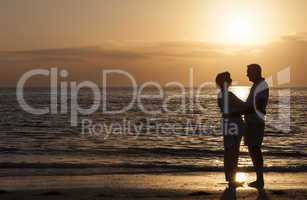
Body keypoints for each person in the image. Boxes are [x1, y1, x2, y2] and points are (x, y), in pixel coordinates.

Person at [216, 72, 246, 189]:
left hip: (228, 124)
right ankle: (232, 180)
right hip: (233, 124)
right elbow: (243, 106)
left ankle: (230, 179)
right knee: (232, 152)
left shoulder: (221, 95)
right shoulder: (229, 95)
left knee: (230, 151)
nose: (231, 80)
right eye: (229, 78)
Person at [244, 64, 269, 189]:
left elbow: (259, 105)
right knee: (253, 150)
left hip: (255, 123)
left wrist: (243, 110)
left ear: (255, 72)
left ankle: (260, 180)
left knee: (255, 150)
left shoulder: (261, 85)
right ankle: (259, 179)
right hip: (252, 122)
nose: (247, 74)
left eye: (248, 72)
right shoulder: (256, 85)